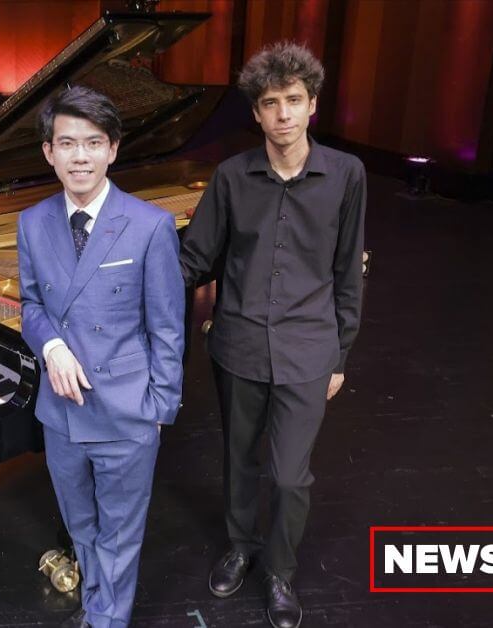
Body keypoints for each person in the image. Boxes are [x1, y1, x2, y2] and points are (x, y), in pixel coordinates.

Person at [179, 41, 366, 628]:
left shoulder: (347, 175)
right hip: (237, 345)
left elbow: (348, 270)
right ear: (256, 113)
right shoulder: (231, 177)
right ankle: (241, 546)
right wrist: (124, 280)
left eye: (293, 100)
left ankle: (280, 570)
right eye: (269, 103)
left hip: (309, 349)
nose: (283, 114)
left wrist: (340, 354)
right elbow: (195, 259)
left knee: (289, 475)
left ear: (312, 104)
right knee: (239, 461)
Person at [17, 86, 185, 628]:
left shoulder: (150, 225)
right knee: (81, 526)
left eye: (93, 143)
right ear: (49, 152)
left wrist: (159, 410)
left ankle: (106, 619)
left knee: (119, 534)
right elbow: (31, 303)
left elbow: (167, 326)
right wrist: (51, 345)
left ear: (112, 148)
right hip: (61, 412)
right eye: (67, 143)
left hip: (125, 410)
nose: (80, 156)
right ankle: (97, 604)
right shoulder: (32, 222)